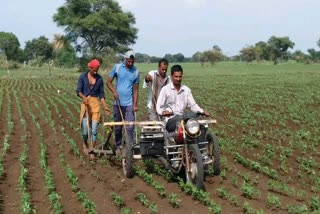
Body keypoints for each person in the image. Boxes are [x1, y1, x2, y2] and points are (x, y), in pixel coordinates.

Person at [156, 64, 212, 164]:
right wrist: (163, 112)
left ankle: (202, 154)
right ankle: (174, 158)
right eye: (176, 76)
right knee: (179, 121)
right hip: (170, 120)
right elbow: (159, 106)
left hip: (182, 118)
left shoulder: (186, 90)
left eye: (180, 76)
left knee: (201, 127)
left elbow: (193, 105)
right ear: (172, 76)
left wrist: (202, 111)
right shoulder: (166, 90)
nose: (178, 79)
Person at [106, 50, 140, 157]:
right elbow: (108, 82)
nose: (130, 63)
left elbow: (136, 90)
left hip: (129, 104)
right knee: (118, 127)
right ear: (125, 59)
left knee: (130, 126)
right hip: (118, 103)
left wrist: (135, 104)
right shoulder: (117, 67)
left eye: (132, 62)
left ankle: (129, 146)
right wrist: (114, 92)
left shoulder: (136, 72)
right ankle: (118, 146)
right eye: (129, 61)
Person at [76, 59, 111, 160]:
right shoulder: (82, 77)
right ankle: (84, 143)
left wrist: (105, 107)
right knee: (85, 130)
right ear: (90, 68)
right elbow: (78, 91)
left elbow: (101, 95)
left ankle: (92, 151)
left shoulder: (99, 79)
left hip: (95, 105)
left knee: (94, 130)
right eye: (94, 70)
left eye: (97, 70)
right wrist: (83, 97)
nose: (95, 72)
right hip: (85, 104)